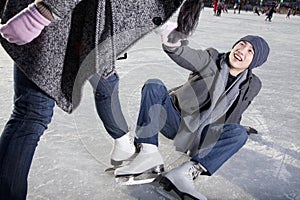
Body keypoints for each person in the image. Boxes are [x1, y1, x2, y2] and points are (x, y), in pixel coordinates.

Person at [0, 0, 205, 199]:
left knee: (105, 80)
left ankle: (124, 143)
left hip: (83, 28)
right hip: (58, 22)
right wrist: (44, 11)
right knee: (32, 112)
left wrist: (159, 24)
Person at [115, 24, 270, 199]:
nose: (242, 50)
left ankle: (186, 172)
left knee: (239, 134)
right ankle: (148, 153)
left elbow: (237, 112)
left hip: (207, 135)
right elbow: (189, 56)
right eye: (242, 44)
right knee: (154, 86)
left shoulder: (253, 84)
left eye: (250, 51)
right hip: (177, 121)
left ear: (255, 62)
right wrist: (173, 46)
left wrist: (240, 130)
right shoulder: (212, 59)